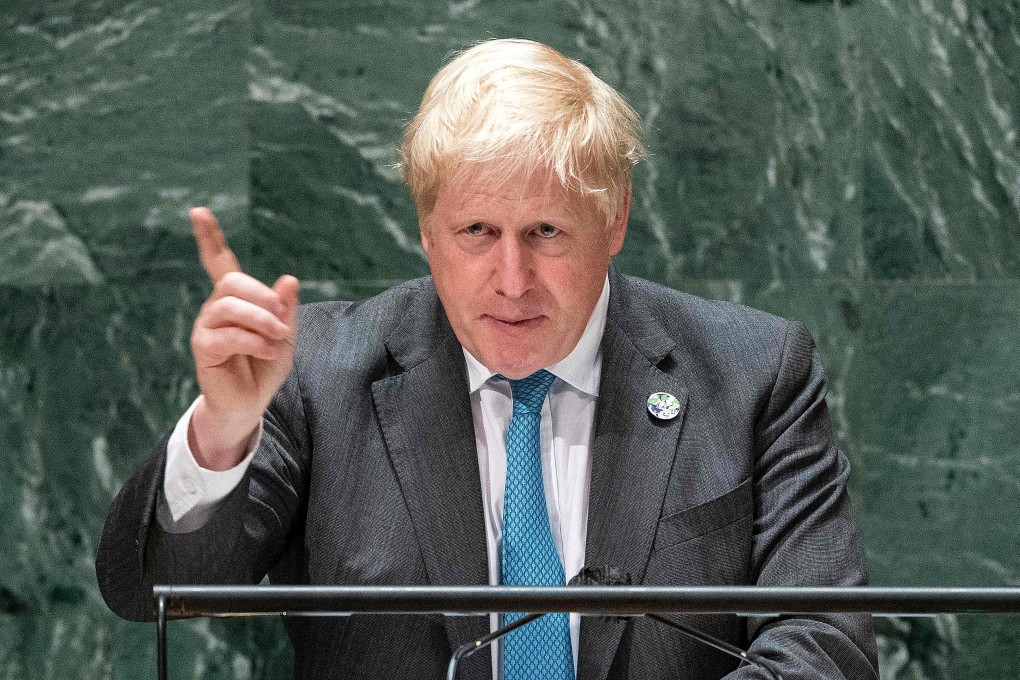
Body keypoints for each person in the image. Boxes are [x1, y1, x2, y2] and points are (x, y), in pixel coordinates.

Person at [96, 38, 878, 679]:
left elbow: (823, 646)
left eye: (547, 232)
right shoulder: (322, 375)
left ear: (614, 219)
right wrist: (224, 431)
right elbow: (151, 592)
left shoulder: (754, 373)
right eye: (477, 233)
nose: (512, 280)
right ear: (426, 231)